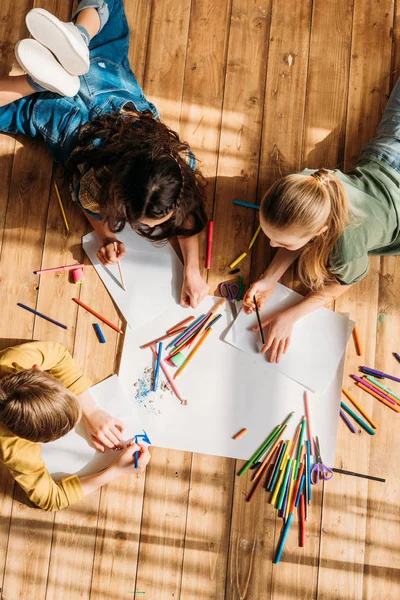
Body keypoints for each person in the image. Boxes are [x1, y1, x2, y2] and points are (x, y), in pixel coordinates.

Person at [0, 1, 208, 308]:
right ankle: (35, 82)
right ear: (118, 199)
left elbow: (182, 205)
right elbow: (95, 210)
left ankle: (79, 38)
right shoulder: (97, 191)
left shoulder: (176, 157)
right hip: (56, 114)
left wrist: (190, 269)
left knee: (107, 4)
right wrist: (106, 235)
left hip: (101, 74)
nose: (151, 228)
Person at [244, 77, 400, 363]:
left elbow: (342, 284)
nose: (270, 243)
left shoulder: (345, 247)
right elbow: (296, 233)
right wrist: (269, 278)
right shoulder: (309, 182)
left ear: (320, 231)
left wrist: (290, 315)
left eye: (280, 241)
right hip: (389, 152)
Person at [0, 341, 150, 511]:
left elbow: (60, 355)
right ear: (23, 439)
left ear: (38, 370)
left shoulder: (17, 358)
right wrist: (115, 471)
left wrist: (91, 410)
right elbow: (50, 500)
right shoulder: (12, 447)